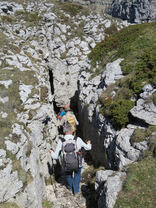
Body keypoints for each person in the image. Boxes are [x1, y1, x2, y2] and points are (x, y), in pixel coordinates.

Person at [50, 123, 92, 195]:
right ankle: (75, 191)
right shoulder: (77, 139)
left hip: (66, 163)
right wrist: (88, 143)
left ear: (64, 131)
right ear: (72, 131)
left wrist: (51, 152)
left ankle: (69, 187)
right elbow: (88, 148)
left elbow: (55, 156)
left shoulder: (61, 141)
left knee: (68, 174)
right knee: (77, 174)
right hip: (77, 162)